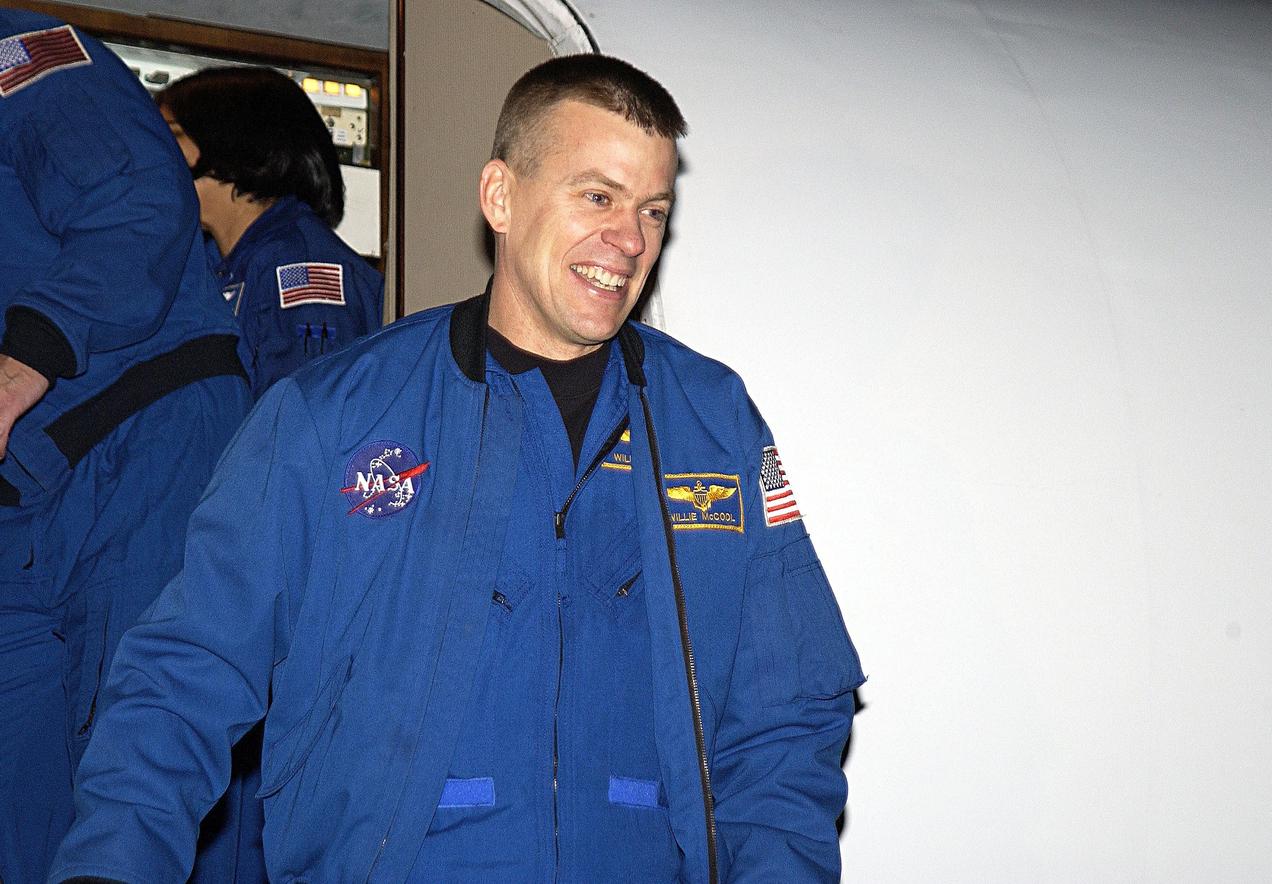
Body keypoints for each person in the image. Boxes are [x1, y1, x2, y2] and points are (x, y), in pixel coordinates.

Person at [51, 54, 864, 882]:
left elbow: (790, 708)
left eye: (654, 209)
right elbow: (179, 680)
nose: (629, 240)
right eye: (598, 196)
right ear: (500, 197)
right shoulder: (334, 419)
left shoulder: (709, 422)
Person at [0, 9, 251, 883]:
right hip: (29, 494)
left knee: (148, 758)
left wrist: (24, 357)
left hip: (134, 434)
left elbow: (136, 195)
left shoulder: (19, 53)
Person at [157, 66, 384, 400]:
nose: (152, 150)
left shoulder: (301, 265)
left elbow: (304, 418)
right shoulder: (209, 265)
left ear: (232, 141)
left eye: (171, 134)